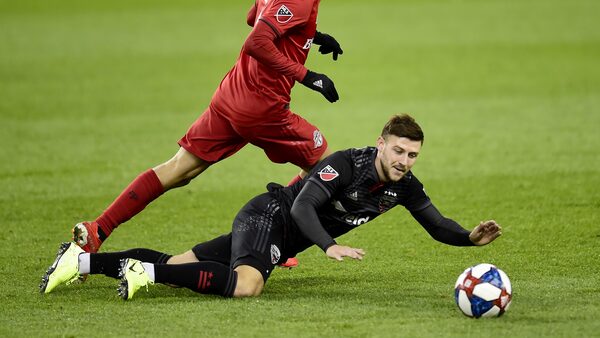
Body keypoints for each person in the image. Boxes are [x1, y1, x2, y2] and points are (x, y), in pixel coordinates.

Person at [70, 0, 350, 260]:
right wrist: (308, 76)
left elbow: (254, 16)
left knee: (180, 169)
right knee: (325, 166)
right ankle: (271, 239)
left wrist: (312, 36)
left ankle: (98, 229)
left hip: (231, 95)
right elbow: (257, 41)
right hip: (263, 108)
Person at [41, 114, 503, 299]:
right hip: (268, 216)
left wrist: (467, 238)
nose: (404, 161)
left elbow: (436, 224)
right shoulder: (346, 165)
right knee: (247, 285)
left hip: (278, 236)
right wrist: (328, 245)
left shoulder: (404, 186)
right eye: (398, 150)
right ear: (381, 143)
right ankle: (145, 274)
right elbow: (302, 208)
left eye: (412, 155)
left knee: (180, 263)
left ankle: (79, 261)